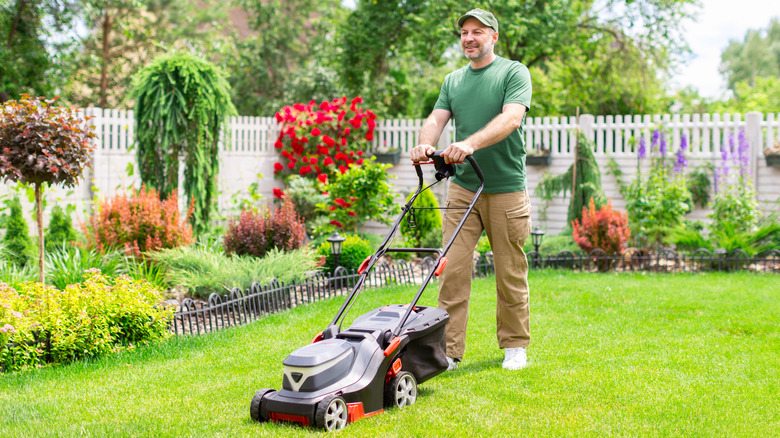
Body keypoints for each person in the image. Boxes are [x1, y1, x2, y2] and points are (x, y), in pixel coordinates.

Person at [410, 8, 533, 371]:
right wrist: (424, 144)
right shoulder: (453, 80)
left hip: (506, 188)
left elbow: (512, 117)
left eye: (477, 31)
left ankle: (514, 346)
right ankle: (448, 352)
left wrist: (470, 144)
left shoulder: (513, 72)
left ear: (493, 36)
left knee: (510, 271)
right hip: (464, 188)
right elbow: (436, 119)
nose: (468, 38)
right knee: (453, 271)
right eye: (464, 32)